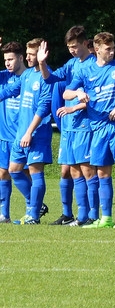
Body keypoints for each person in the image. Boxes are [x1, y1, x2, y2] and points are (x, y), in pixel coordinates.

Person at [50, 32, 115, 228]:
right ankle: (106, 218)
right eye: (108, 49)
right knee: (102, 173)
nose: (112, 52)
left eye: (113, 48)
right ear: (97, 49)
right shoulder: (86, 71)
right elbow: (66, 92)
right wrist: (78, 93)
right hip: (98, 128)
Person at [39, 25, 95, 226]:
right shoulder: (71, 64)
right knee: (72, 170)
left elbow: (95, 97)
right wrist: (42, 63)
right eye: (69, 47)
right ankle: (79, 216)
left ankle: (92, 215)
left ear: (85, 43)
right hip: (69, 125)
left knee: (87, 170)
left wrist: (75, 106)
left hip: (84, 124)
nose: (71, 50)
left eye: (75, 46)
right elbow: (50, 79)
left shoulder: (94, 64)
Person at [0, 39, 54, 224]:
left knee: (34, 171)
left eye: (32, 54)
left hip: (37, 133)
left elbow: (44, 107)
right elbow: (10, 90)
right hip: (21, 134)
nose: (28, 57)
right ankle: (35, 206)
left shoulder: (47, 76)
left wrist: (29, 132)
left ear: (42, 55)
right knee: (14, 171)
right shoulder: (27, 75)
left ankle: (33, 215)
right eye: (28, 54)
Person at [0, 41, 27, 223]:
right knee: (3, 173)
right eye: (5, 60)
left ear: (21, 57)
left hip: (23, 136)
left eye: (10, 59)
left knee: (25, 173)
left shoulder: (30, 77)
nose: (7, 63)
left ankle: (33, 209)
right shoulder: (3, 77)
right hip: (4, 136)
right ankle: (4, 215)